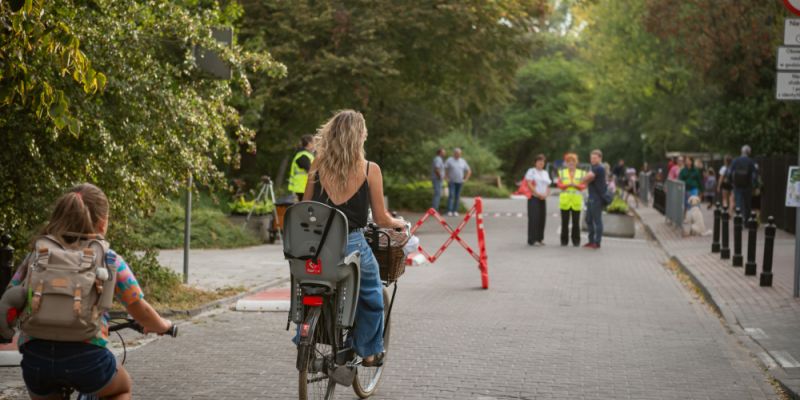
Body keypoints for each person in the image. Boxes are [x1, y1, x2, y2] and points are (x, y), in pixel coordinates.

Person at [4, 183, 173, 400]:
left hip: (37, 358)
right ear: (102, 223)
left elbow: (12, 294)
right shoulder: (109, 259)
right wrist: (163, 325)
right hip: (88, 360)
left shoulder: (38, 255)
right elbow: (139, 307)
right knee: (121, 388)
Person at [302, 110, 405, 366]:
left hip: (316, 246)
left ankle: (309, 333)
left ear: (332, 135)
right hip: (352, 244)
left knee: (311, 288)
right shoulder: (370, 170)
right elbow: (381, 219)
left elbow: (306, 206)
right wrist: (398, 223)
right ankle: (369, 352)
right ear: (359, 136)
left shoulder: (317, 164)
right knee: (371, 296)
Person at [556, 153, 586, 247]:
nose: (571, 163)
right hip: (565, 201)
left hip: (576, 201)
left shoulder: (582, 173)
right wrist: (567, 185)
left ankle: (576, 241)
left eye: (573, 161)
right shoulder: (562, 172)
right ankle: (564, 241)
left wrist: (576, 185)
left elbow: (584, 186)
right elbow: (559, 185)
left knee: (576, 223)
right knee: (564, 222)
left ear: (576, 162)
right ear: (566, 163)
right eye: (569, 161)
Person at [582, 149, 607, 249]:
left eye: (595, 158)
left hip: (597, 198)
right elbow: (587, 180)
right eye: (591, 158)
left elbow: (585, 179)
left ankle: (597, 242)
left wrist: (585, 179)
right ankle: (591, 241)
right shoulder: (593, 167)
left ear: (600, 158)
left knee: (597, 221)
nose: (592, 159)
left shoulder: (599, 168)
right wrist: (586, 179)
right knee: (588, 219)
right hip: (591, 197)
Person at [525, 154, 551, 246]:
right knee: (534, 218)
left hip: (543, 198)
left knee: (541, 218)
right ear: (535, 162)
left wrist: (546, 194)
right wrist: (537, 194)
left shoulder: (545, 173)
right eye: (539, 161)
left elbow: (548, 186)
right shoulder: (531, 171)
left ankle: (540, 238)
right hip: (534, 197)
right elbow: (529, 184)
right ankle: (532, 239)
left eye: (543, 161)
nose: (541, 163)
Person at [729, 145, 758, 220]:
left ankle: (739, 220)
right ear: (749, 152)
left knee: (738, 202)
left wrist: (731, 182)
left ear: (741, 152)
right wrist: (754, 184)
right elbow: (755, 174)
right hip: (747, 185)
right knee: (747, 204)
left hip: (737, 185)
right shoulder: (751, 161)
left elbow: (730, 172)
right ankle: (746, 221)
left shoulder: (736, 160)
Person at [444, 147, 471, 217]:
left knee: (457, 196)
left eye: (459, 154)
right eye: (457, 153)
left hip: (460, 181)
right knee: (451, 195)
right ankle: (449, 211)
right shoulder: (449, 160)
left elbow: (468, 170)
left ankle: (455, 211)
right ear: (454, 153)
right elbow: (445, 169)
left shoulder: (462, 161)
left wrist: (465, 179)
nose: (458, 155)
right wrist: (446, 177)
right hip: (452, 181)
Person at [288, 134, 315, 201]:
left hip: (303, 188)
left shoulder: (305, 155)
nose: (315, 144)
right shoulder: (303, 156)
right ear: (309, 143)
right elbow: (312, 172)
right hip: (302, 189)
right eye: (314, 142)